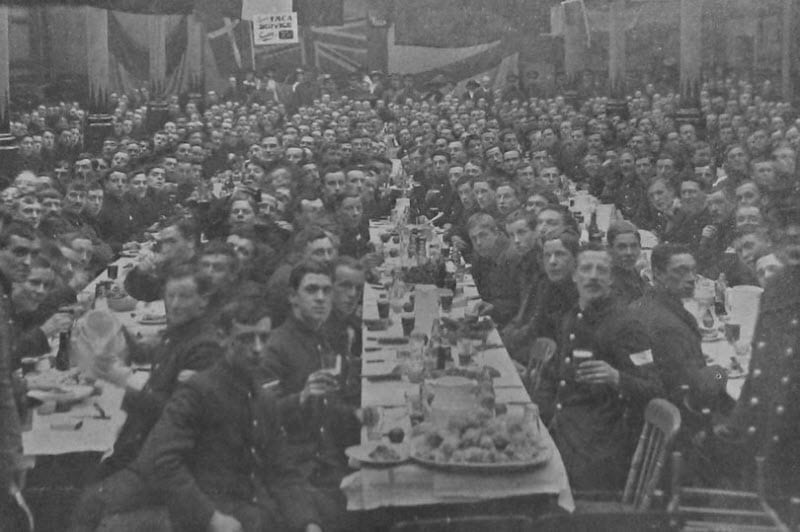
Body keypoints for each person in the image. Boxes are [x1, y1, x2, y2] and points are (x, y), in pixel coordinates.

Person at [135, 300, 328, 532]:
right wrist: (212, 518)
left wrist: (307, 522)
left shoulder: (264, 399)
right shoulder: (197, 392)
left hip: (255, 513)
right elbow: (159, 460)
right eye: (246, 338)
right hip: (212, 518)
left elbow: (282, 471)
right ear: (222, 338)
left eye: (264, 338)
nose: (258, 349)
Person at [70, 266, 223, 531]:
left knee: (89, 502)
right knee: (88, 478)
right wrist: (114, 330)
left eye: (184, 297)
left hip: (173, 461)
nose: (174, 304)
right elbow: (148, 358)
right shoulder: (179, 334)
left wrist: (123, 385)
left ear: (203, 302)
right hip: (146, 444)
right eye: (170, 296)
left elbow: (178, 415)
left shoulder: (204, 348)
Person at [534, 246, 663, 490]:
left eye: (601, 270)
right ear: (574, 276)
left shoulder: (627, 325)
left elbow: (654, 387)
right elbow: (554, 376)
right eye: (585, 269)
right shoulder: (572, 316)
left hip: (598, 446)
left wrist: (617, 377)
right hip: (561, 429)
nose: (593, 276)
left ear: (611, 279)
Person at [264, 261, 358, 524]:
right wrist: (302, 397)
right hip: (301, 471)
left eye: (327, 291)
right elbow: (262, 418)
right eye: (311, 290)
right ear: (293, 297)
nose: (320, 298)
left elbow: (329, 406)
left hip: (327, 458)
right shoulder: (276, 346)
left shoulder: (320, 338)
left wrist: (359, 415)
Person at [467, 212, 521, 328]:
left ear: (496, 233)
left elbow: (519, 302)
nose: (478, 243)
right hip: (498, 315)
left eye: (483, 235)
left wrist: (494, 308)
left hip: (511, 323)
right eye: (473, 238)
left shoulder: (511, 256)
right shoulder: (485, 253)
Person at [123, 219, 198, 302]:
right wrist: (140, 273)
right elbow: (145, 294)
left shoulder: (205, 268)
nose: (165, 249)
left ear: (191, 241)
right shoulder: (170, 265)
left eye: (171, 241)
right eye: (163, 242)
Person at [607, 221, 649, 304]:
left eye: (634, 246)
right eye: (622, 247)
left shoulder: (633, 271)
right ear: (610, 249)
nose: (629, 253)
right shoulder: (608, 281)